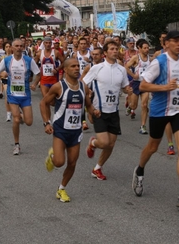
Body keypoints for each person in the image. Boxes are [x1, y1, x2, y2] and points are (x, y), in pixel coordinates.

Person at [131, 30, 179, 208]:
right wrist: (164, 87)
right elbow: (143, 85)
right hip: (160, 110)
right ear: (166, 44)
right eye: (175, 41)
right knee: (153, 146)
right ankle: (139, 170)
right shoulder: (159, 61)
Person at [41, 58, 101, 202]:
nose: (76, 68)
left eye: (78, 66)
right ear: (66, 70)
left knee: (72, 163)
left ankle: (61, 189)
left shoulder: (83, 86)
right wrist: (47, 123)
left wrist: (94, 111)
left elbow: (88, 104)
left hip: (76, 131)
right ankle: (52, 157)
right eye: (73, 66)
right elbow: (43, 103)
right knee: (60, 162)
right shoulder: (58, 87)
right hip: (61, 130)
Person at [82, 40, 132, 180]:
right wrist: (89, 103)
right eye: (112, 49)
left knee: (111, 144)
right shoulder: (97, 68)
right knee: (103, 143)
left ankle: (97, 168)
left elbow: (124, 86)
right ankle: (93, 142)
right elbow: (83, 84)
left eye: (116, 48)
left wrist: (127, 89)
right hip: (99, 111)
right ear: (105, 53)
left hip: (114, 111)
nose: (115, 51)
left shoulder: (121, 69)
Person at [0, 39, 41, 155]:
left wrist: (34, 84)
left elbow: (38, 74)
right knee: (15, 119)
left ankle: (20, 115)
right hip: (12, 94)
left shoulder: (29, 60)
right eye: (16, 46)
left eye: (21, 46)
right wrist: (1, 74)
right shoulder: (7, 60)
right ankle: (16, 144)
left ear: (23, 47)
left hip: (25, 95)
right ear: (12, 48)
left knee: (29, 122)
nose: (19, 48)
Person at [125, 39, 151, 134]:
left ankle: (143, 126)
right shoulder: (136, 58)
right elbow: (126, 67)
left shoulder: (150, 59)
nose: (147, 49)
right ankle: (129, 107)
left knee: (144, 105)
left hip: (146, 84)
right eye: (144, 48)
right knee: (134, 106)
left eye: (148, 48)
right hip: (136, 83)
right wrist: (133, 75)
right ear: (139, 48)